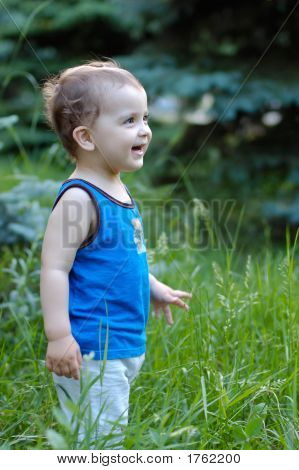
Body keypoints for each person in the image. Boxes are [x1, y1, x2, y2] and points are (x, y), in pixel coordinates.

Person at [40, 58, 192, 449]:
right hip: (92, 348)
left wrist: (153, 286)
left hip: (121, 343)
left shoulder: (117, 189)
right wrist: (58, 336)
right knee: (101, 443)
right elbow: (54, 269)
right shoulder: (79, 198)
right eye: (129, 121)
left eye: (145, 118)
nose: (145, 130)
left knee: (105, 430)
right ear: (87, 138)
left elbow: (126, 256)